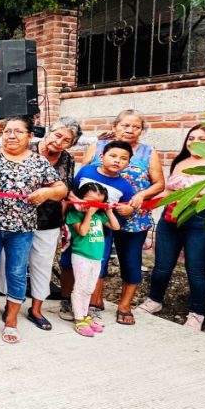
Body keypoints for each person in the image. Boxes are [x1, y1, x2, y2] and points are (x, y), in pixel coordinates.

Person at [0, 116, 66, 344]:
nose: (11, 136)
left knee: (17, 272)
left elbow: (61, 189)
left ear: (30, 137)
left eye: (18, 132)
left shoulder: (39, 162)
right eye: (7, 131)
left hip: (22, 228)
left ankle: (12, 320)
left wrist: (47, 193)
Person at [0, 119, 81, 330]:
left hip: (47, 220)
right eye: (57, 135)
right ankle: (10, 305)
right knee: (13, 266)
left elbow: (65, 189)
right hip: (16, 218)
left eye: (67, 140)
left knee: (42, 264)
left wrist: (64, 214)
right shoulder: (24, 145)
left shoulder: (67, 159)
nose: (59, 142)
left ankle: (36, 309)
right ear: (49, 132)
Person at [135, 125, 205, 330]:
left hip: (201, 222)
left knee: (195, 269)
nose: (194, 142)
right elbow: (169, 193)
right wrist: (145, 204)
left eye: (202, 139)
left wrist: (193, 199)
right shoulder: (180, 163)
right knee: (162, 265)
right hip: (170, 220)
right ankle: (155, 300)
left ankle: (197, 313)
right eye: (190, 137)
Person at [81, 110, 164, 325]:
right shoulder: (98, 148)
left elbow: (159, 184)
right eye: (125, 125)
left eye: (135, 127)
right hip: (99, 216)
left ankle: (125, 305)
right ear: (115, 126)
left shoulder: (148, 153)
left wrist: (139, 196)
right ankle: (95, 300)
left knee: (130, 261)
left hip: (134, 216)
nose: (129, 130)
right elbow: (85, 174)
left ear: (142, 130)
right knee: (97, 257)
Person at [59, 141, 137, 327]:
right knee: (67, 264)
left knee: (95, 268)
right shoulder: (86, 172)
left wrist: (126, 209)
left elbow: (126, 208)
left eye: (123, 158)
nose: (117, 161)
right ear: (101, 156)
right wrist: (77, 203)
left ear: (128, 163)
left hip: (101, 232)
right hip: (76, 231)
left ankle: (87, 309)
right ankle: (67, 301)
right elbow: (71, 190)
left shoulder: (125, 185)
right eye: (113, 156)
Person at [67, 183, 120, 337]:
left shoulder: (100, 215)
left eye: (98, 203)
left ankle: (85, 315)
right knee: (80, 288)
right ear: (80, 198)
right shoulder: (75, 214)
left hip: (97, 257)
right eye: (90, 201)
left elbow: (115, 227)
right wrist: (89, 213)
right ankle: (78, 319)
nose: (94, 206)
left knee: (90, 288)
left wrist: (109, 211)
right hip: (81, 256)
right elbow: (83, 231)